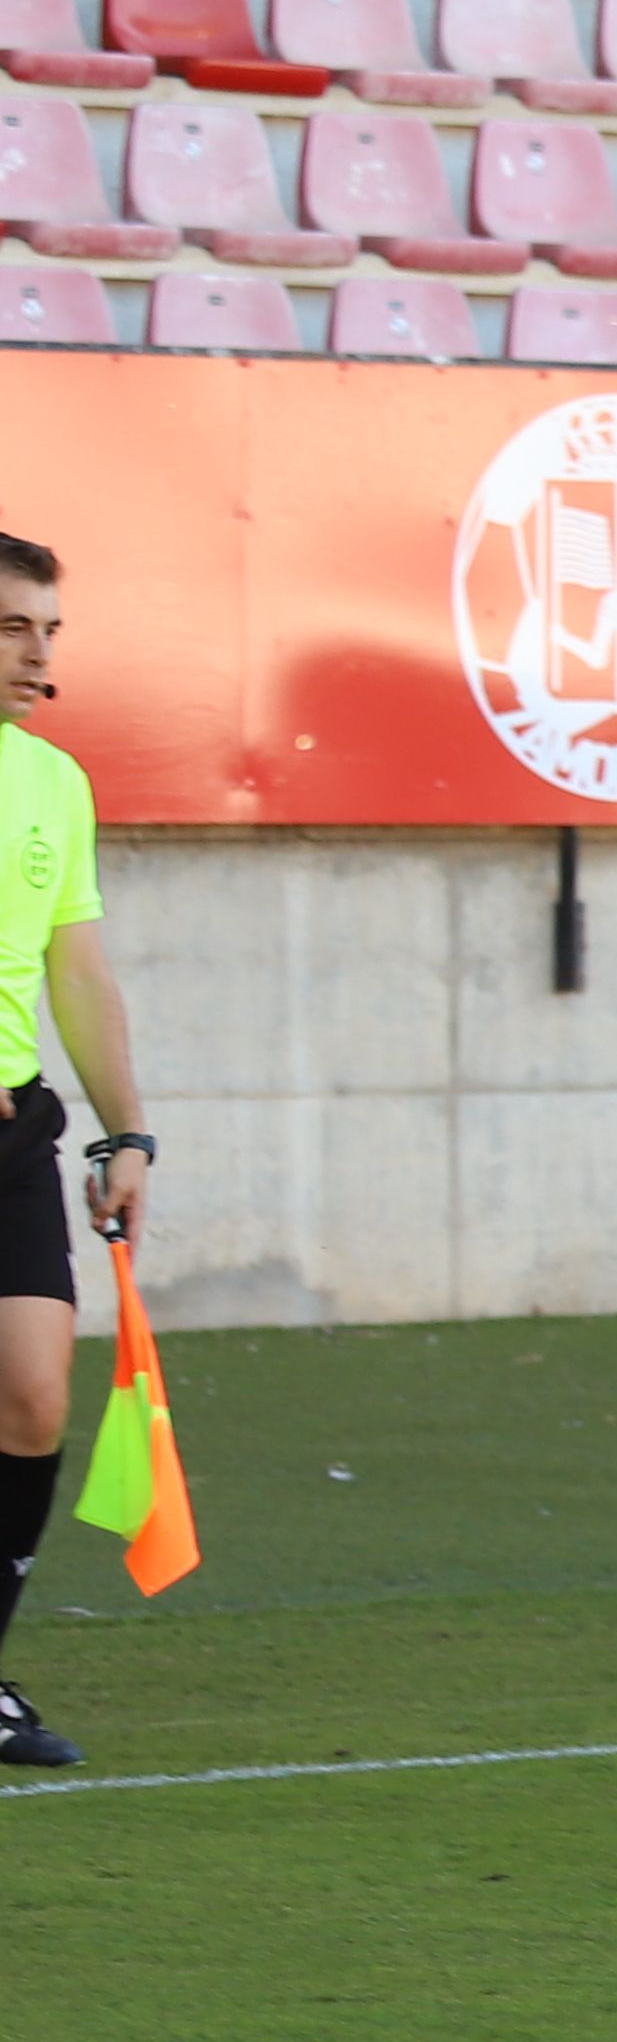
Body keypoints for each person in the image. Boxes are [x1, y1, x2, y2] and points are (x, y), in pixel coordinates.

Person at [0, 534, 142, 1772]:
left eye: (48, 628)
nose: (38, 651)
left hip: (11, 1132)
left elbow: (78, 970)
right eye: (11, 626)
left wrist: (125, 1126)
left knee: (35, 1397)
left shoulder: (54, 782)